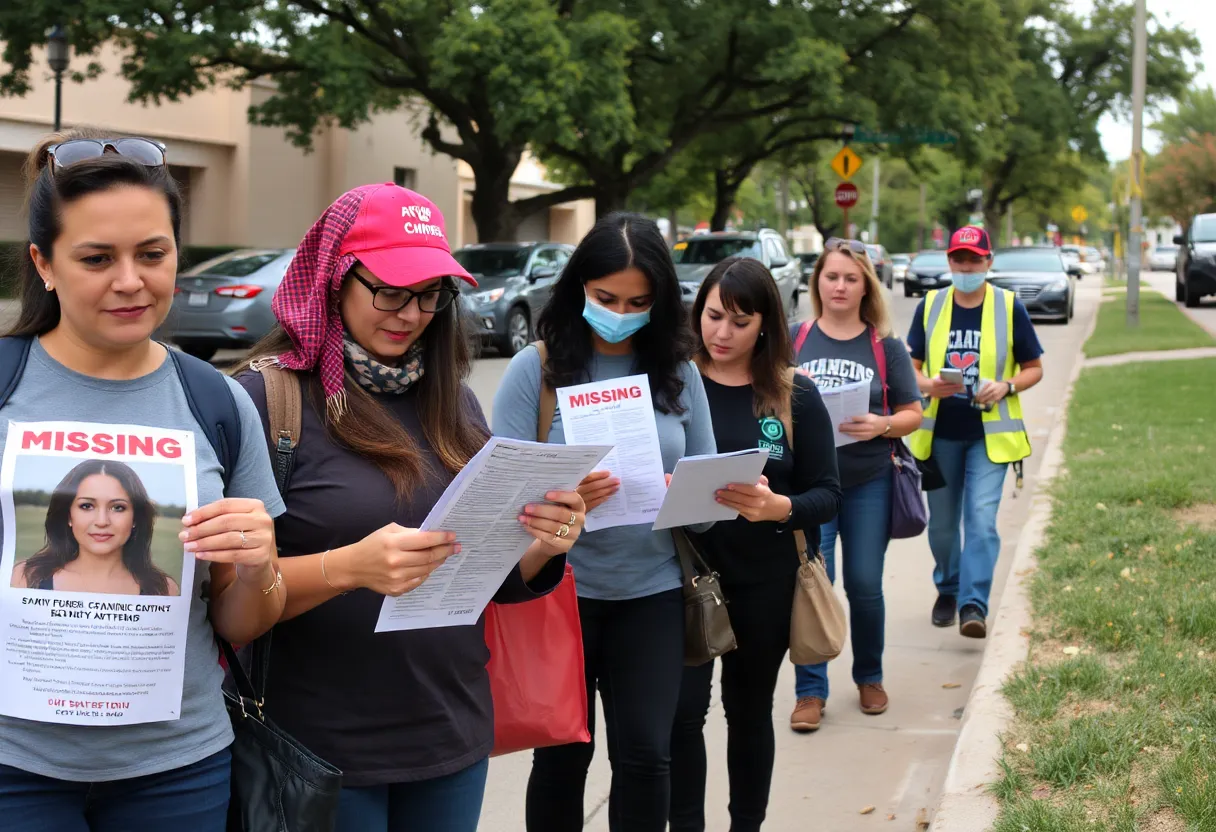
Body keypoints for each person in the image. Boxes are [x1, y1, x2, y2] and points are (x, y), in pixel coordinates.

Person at [232, 183, 586, 832]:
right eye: (390, 291)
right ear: (336, 281)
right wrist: (350, 567)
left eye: (430, 295)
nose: (411, 313)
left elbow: (485, 578)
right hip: (321, 744)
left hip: (450, 732)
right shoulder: (264, 403)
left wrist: (541, 546)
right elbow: (226, 600)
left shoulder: (455, 404)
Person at [0, 130, 284, 831]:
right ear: (44, 263)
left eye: (152, 254)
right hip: (15, 768)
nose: (131, 280)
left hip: (178, 769)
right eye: (97, 258)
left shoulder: (218, 403)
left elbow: (241, 622)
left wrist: (257, 567)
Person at [492, 212, 717, 832]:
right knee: (563, 754)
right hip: (561, 595)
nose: (621, 312)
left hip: (653, 591)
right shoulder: (533, 371)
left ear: (661, 301)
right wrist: (560, 498)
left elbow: (708, 498)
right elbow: (496, 501)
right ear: (578, 289)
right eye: (605, 298)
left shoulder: (679, 371)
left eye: (639, 301)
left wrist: (695, 494)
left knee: (648, 754)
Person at [668, 257, 841, 832]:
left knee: (747, 713)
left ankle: (747, 824)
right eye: (713, 316)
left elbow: (828, 493)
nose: (722, 333)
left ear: (766, 324)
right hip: (682, 578)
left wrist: (780, 508)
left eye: (740, 322)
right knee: (681, 717)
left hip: (765, 581)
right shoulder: (672, 387)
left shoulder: (795, 396)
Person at [789, 239, 924, 731]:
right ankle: (810, 690)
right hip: (810, 488)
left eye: (851, 277)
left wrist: (881, 425)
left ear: (865, 284)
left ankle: (869, 675)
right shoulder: (795, 338)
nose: (840, 286)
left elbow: (913, 412)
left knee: (864, 584)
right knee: (812, 584)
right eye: (831, 276)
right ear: (817, 282)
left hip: (870, 480)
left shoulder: (884, 346)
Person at [906, 226, 1042, 638]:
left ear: (988, 262)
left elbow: (1034, 367)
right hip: (939, 433)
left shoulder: (1008, 306)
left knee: (981, 520)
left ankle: (973, 605)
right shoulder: (929, 306)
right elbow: (909, 370)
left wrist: (1007, 385)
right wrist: (930, 385)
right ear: (949, 262)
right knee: (943, 526)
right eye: (958, 260)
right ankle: (947, 588)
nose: (965, 267)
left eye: (974, 260)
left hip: (990, 436)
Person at [11, 459, 181, 596]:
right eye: (86, 506)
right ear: (69, 516)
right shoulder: (25, 578)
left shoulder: (164, 590)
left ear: (135, 518)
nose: (101, 521)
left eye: (118, 507)